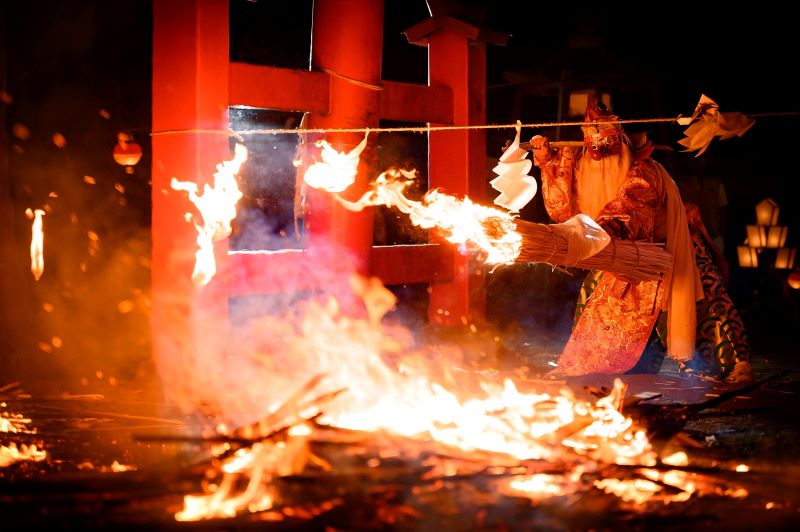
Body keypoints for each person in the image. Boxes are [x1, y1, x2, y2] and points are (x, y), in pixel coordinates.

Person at [529, 95, 703, 376]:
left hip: (659, 255)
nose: (598, 162)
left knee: (688, 307)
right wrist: (548, 163)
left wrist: (600, 232)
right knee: (590, 292)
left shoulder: (644, 172)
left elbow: (629, 213)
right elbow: (564, 210)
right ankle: (594, 370)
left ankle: (652, 371)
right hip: (616, 252)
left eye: (606, 156)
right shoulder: (584, 170)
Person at [684, 201, 753, 382]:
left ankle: (740, 360)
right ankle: (703, 363)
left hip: (692, 248)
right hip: (673, 251)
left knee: (716, 297)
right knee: (692, 310)